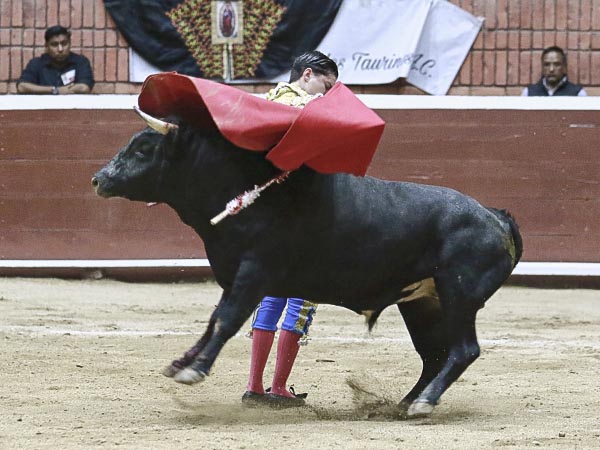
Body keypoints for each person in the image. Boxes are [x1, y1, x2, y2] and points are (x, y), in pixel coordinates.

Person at [242, 51, 338, 409]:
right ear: (308, 74)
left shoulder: (269, 99)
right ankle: (277, 387)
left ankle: (256, 386)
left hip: (273, 216)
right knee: (300, 297)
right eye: (325, 86)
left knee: (274, 294)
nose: (326, 94)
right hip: (299, 216)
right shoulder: (292, 102)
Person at [17, 25, 94, 95]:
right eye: (54, 44)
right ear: (46, 46)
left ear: (70, 44)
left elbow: (85, 88)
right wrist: (55, 90)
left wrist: (62, 90)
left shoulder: (80, 62)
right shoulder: (36, 64)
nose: (60, 49)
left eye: (64, 44)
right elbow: (22, 87)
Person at [522, 46, 587, 97]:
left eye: (556, 64)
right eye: (547, 65)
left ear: (564, 67)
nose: (551, 69)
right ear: (542, 67)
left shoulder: (578, 94)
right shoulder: (528, 93)